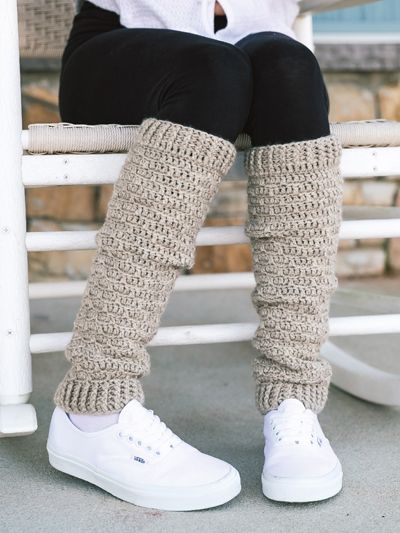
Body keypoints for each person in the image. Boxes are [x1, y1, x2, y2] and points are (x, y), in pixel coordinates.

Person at [47, 0, 344, 510]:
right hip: (122, 44)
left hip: (260, 46)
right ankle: (94, 405)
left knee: (291, 67)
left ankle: (292, 397)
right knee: (212, 69)